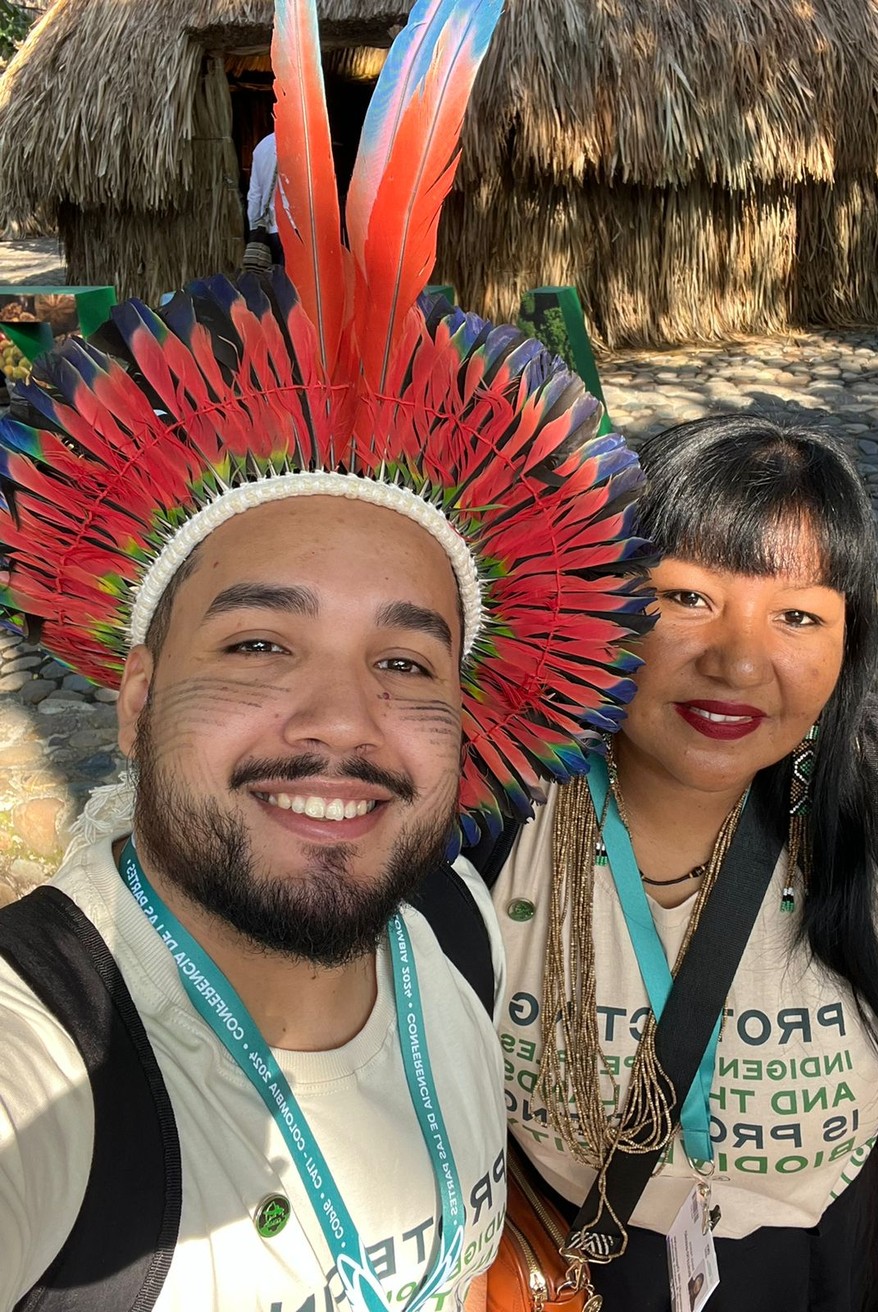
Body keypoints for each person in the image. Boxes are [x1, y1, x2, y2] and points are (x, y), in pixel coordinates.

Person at [0, 0, 653, 1307]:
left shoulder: (453, 926)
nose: (341, 722)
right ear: (135, 695)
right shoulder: (49, 1048)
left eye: (408, 663)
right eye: (259, 641)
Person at [491, 415, 878, 1312]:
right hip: (563, 1264)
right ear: (604, 602)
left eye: (798, 615)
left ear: (848, 641)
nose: (740, 661)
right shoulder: (500, 798)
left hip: (823, 1264)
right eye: (687, 597)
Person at [245, 131, 283, 265]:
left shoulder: (262, 146)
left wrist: (255, 230)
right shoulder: (301, 142)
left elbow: (254, 195)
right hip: (295, 229)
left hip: (270, 228)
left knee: (274, 274)